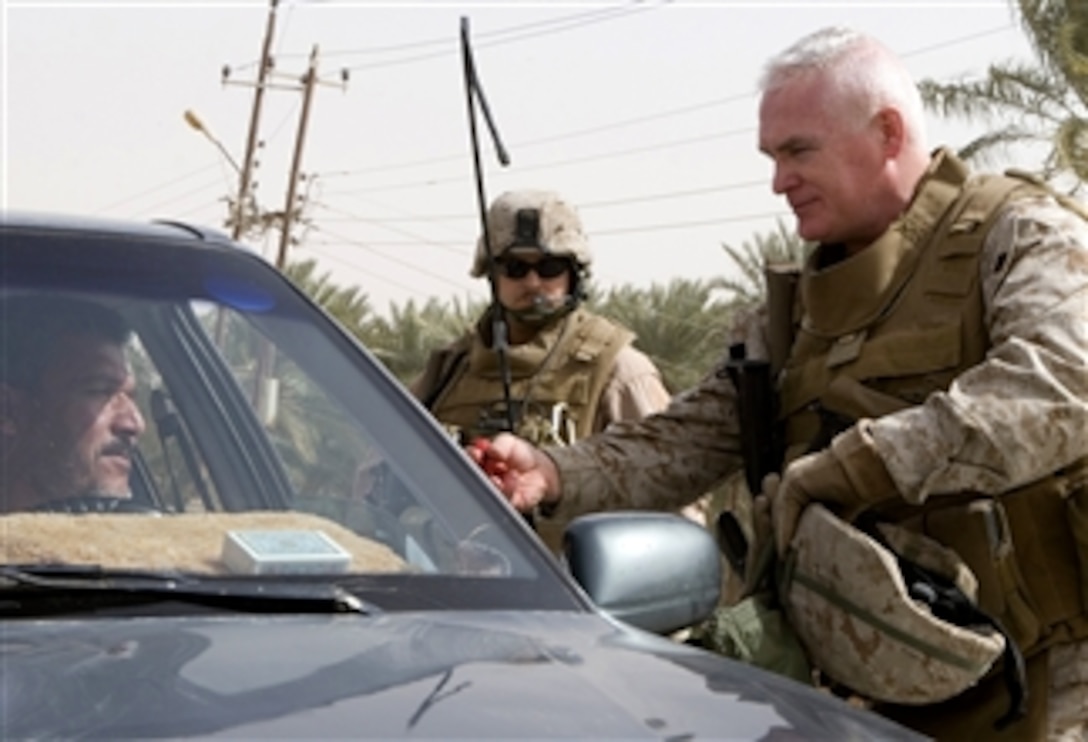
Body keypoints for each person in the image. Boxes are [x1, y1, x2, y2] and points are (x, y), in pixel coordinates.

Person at [471, 27, 1088, 741]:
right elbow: (695, 433)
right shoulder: (796, 309)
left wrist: (859, 465)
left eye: (798, 151)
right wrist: (550, 472)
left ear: (887, 132)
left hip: (1047, 686)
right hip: (859, 692)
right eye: (772, 156)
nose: (778, 180)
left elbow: (1063, 384)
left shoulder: (1017, 231)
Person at [410, 188, 675, 550]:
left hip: (569, 595)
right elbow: (377, 486)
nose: (533, 283)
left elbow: (672, 495)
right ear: (492, 274)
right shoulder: (448, 370)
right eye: (515, 268)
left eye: (549, 268)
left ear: (573, 274)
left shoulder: (618, 370)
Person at [0, 295, 147, 512]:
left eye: (131, 397)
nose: (134, 424)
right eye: (99, 391)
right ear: (8, 410)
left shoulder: (148, 541)